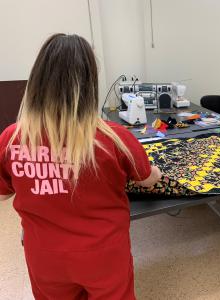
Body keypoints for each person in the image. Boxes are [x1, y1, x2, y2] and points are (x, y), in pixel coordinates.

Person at [0, 34, 161, 299]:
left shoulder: (11, 139)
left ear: (37, 80)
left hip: (44, 254)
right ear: (89, 83)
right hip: (105, 253)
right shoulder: (116, 138)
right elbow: (147, 178)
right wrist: (156, 172)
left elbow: (4, 193)